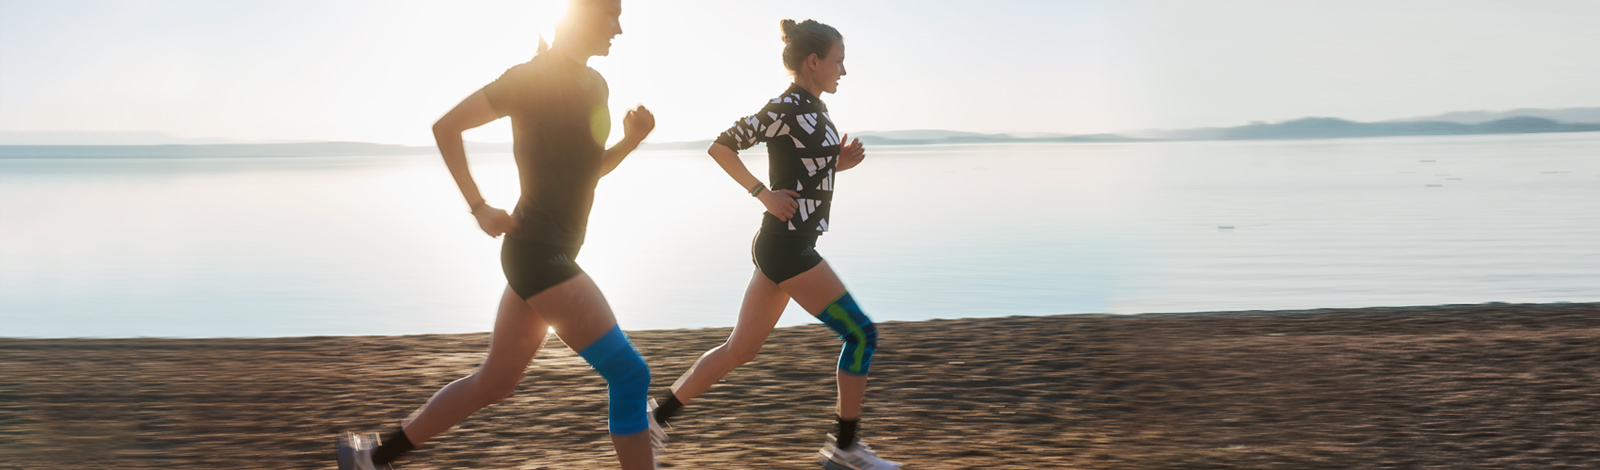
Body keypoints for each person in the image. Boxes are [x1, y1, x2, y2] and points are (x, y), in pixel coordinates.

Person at [335, 1, 664, 469]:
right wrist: (479, 206)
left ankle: (373, 458)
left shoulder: (596, 85)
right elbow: (446, 128)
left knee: (494, 383)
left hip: (547, 252)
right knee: (630, 375)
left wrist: (630, 142)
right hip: (537, 255)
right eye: (612, 15)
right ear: (583, 16)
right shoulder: (529, 78)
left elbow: (587, 173)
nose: (620, 29)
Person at [647, 18, 900, 470]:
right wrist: (761, 193)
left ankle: (655, 418)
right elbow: (722, 146)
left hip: (784, 245)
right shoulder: (784, 107)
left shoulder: (816, 109)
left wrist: (836, 164)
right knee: (861, 334)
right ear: (814, 61)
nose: (844, 71)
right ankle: (845, 449)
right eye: (839, 62)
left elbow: (802, 171)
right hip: (788, 247)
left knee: (740, 350)